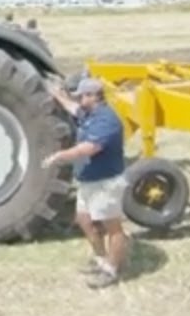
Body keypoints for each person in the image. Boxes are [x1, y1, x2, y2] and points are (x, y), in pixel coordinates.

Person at [42, 77, 128, 289]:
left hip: (105, 182)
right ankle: (101, 259)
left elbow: (88, 149)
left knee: (113, 228)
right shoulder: (88, 113)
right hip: (88, 180)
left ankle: (112, 269)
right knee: (84, 220)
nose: (79, 99)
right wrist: (56, 93)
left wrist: (59, 156)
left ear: (94, 96)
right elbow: (71, 107)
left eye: (82, 95)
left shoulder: (107, 121)